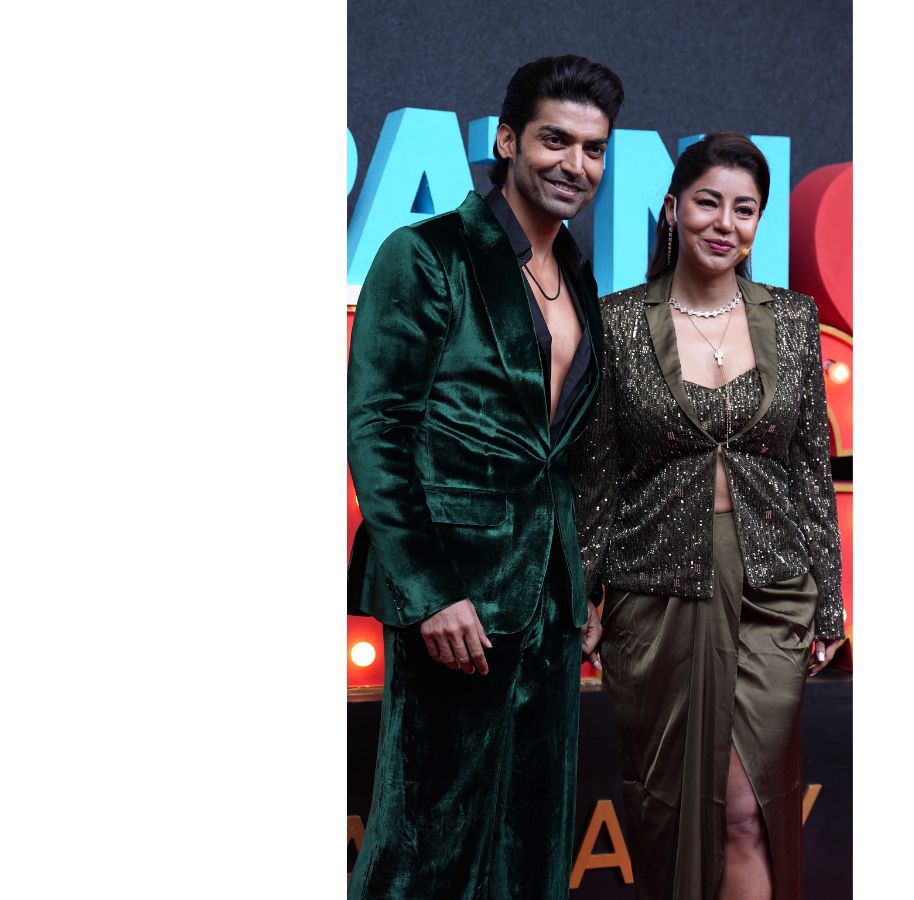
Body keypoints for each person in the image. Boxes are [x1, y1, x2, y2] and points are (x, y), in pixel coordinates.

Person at [347, 55, 624, 899]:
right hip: (455, 597)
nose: (576, 164)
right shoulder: (427, 254)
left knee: (533, 842)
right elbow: (379, 431)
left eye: (594, 149)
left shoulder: (577, 275)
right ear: (507, 141)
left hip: (548, 601)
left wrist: (582, 585)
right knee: (426, 847)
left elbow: (561, 452)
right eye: (555, 140)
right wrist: (431, 592)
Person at [572, 131, 846, 900]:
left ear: (758, 222)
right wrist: (581, 593)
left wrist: (828, 596)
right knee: (671, 818)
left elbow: (809, 467)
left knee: (748, 812)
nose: (725, 222)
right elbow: (596, 475)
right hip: (654, 595)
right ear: (672, 208)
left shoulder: (791, 320)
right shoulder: (619, 322)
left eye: (745, 209)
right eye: (708, 202)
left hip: (771, 593)